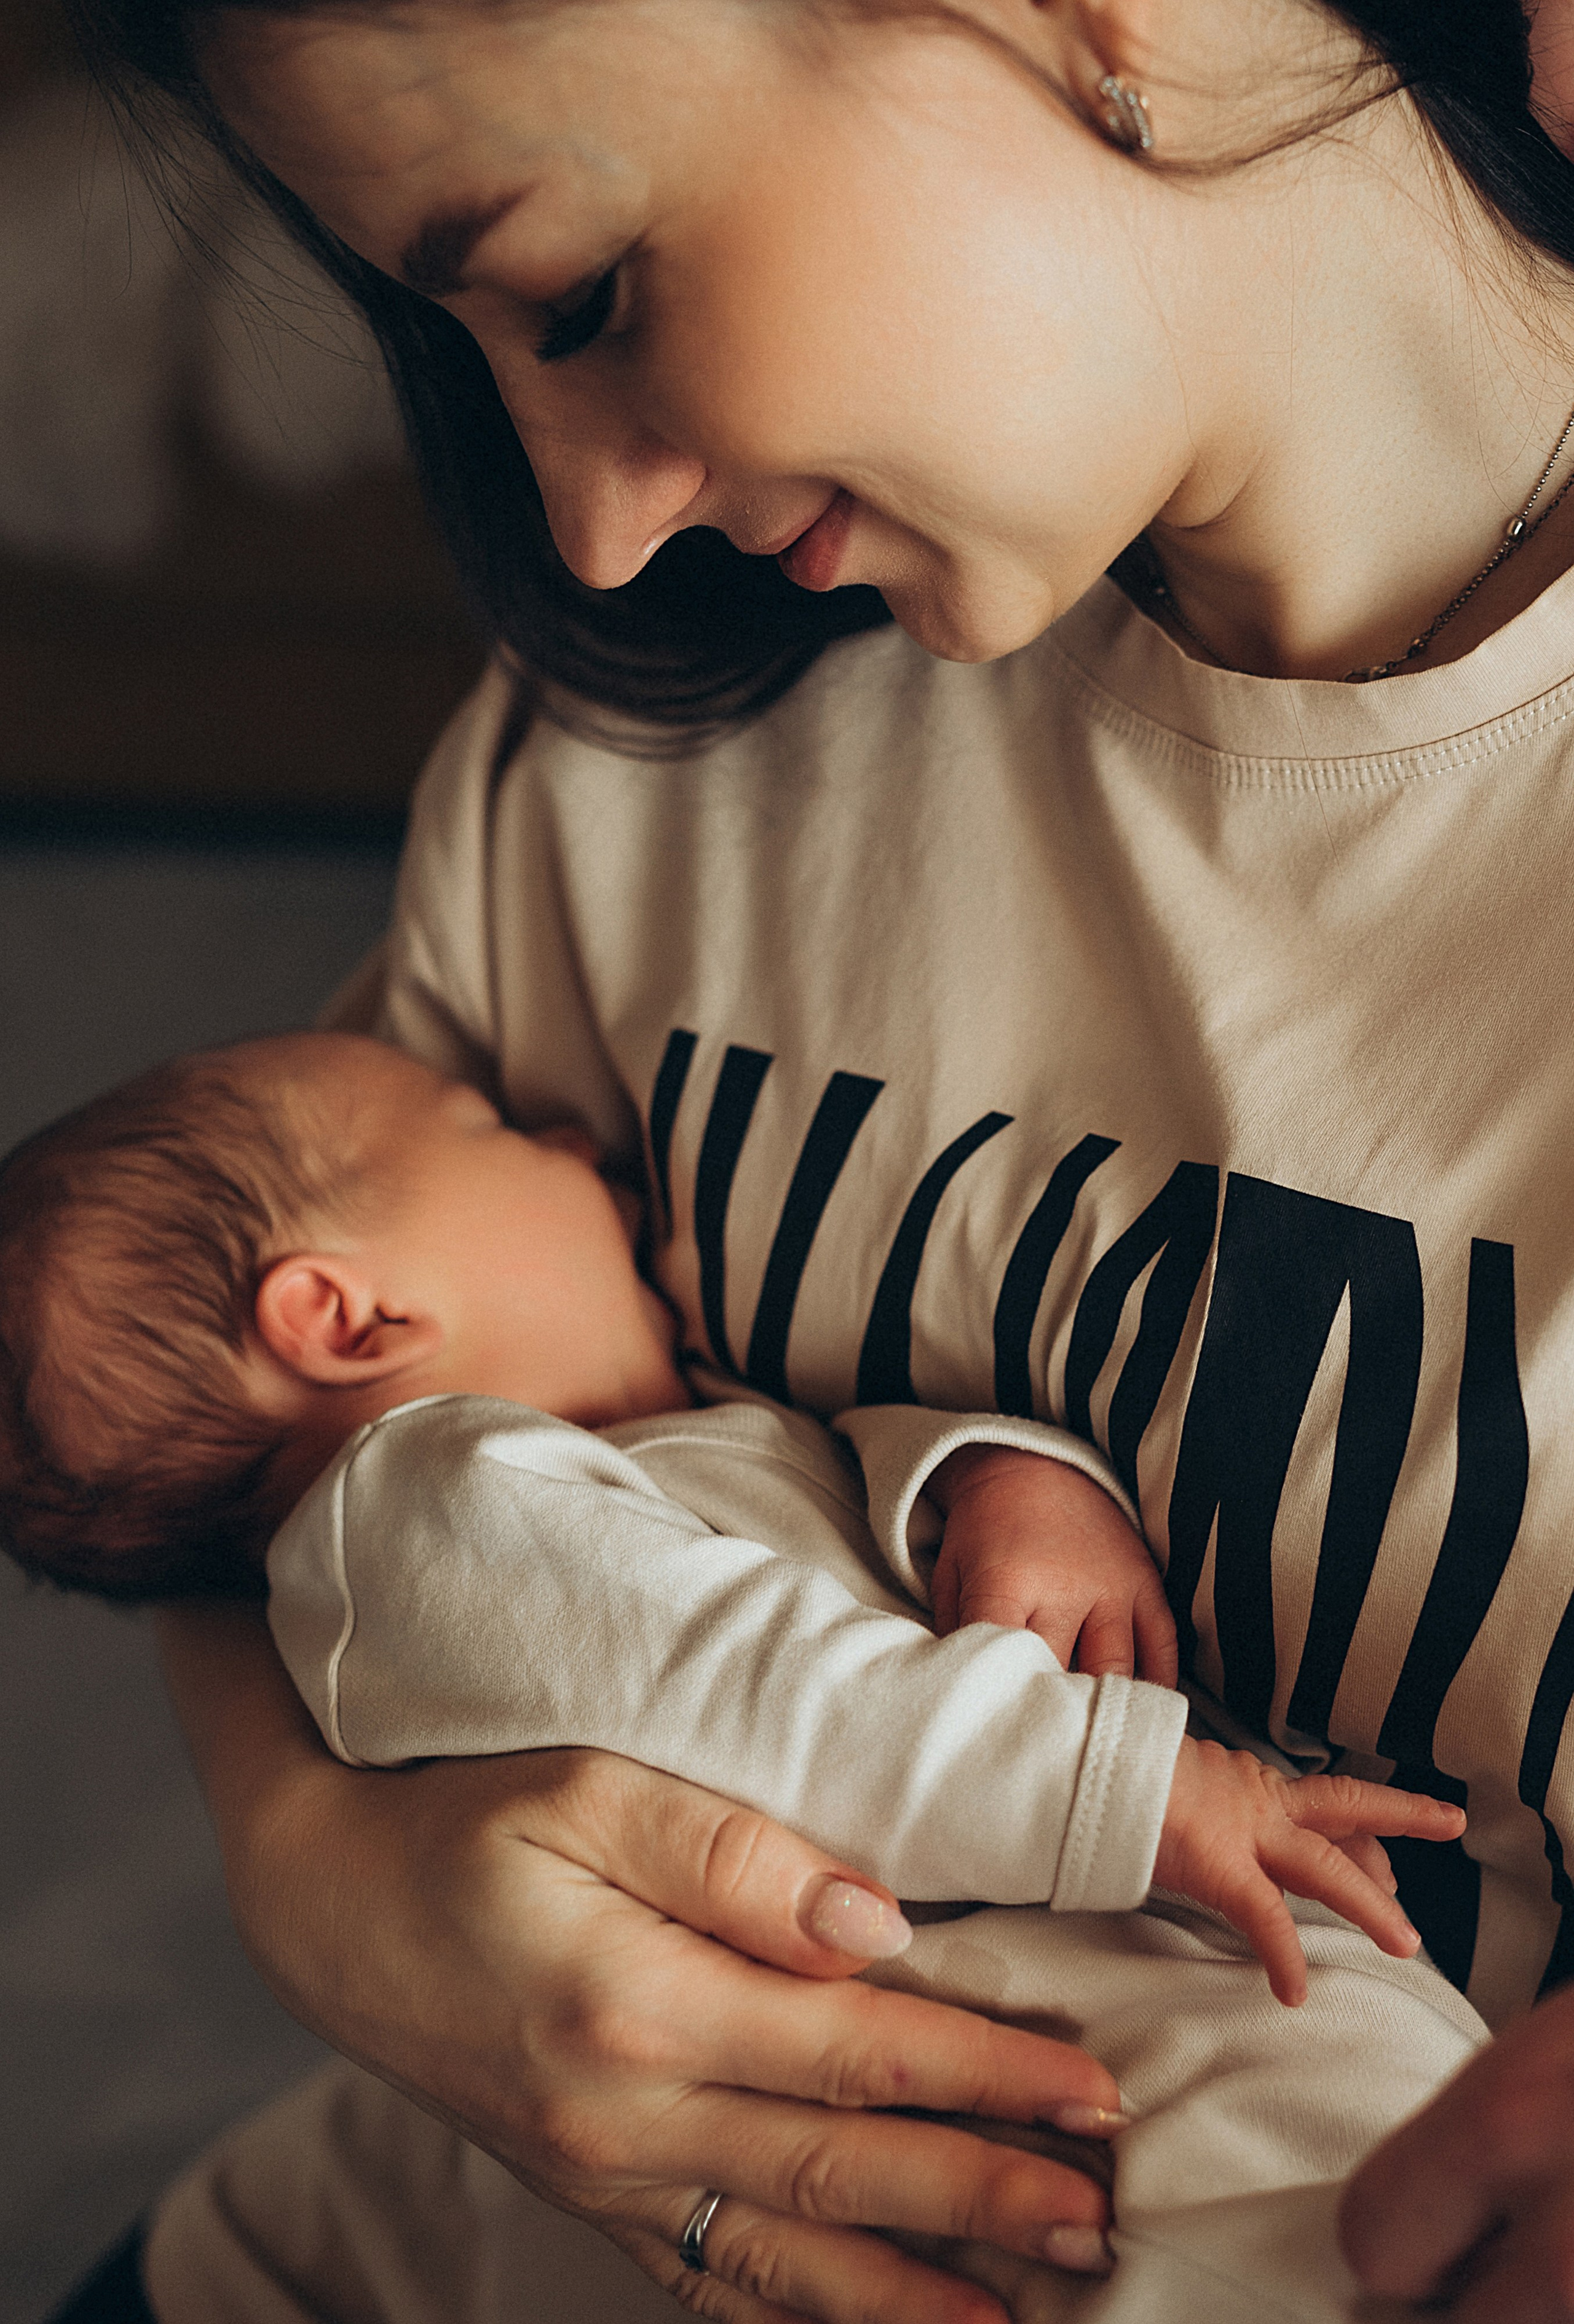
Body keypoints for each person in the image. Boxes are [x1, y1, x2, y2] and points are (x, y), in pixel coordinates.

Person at [47, 0, 1574, 2317]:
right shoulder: (636, 762)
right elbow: (178, 1418)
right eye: (475, 351)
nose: (588, 524)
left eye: (582, 295)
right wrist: (331, 1887)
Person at [1, 1026, 1479, 2321]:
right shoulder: (418, 1513)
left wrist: (996, 1475)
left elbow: (798, 1530)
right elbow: (780, 1696)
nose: (573, 1136)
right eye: (495, 1129)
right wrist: (1131, 1785)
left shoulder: (549, 1499)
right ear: (347, 1317)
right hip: (1072, 2093)